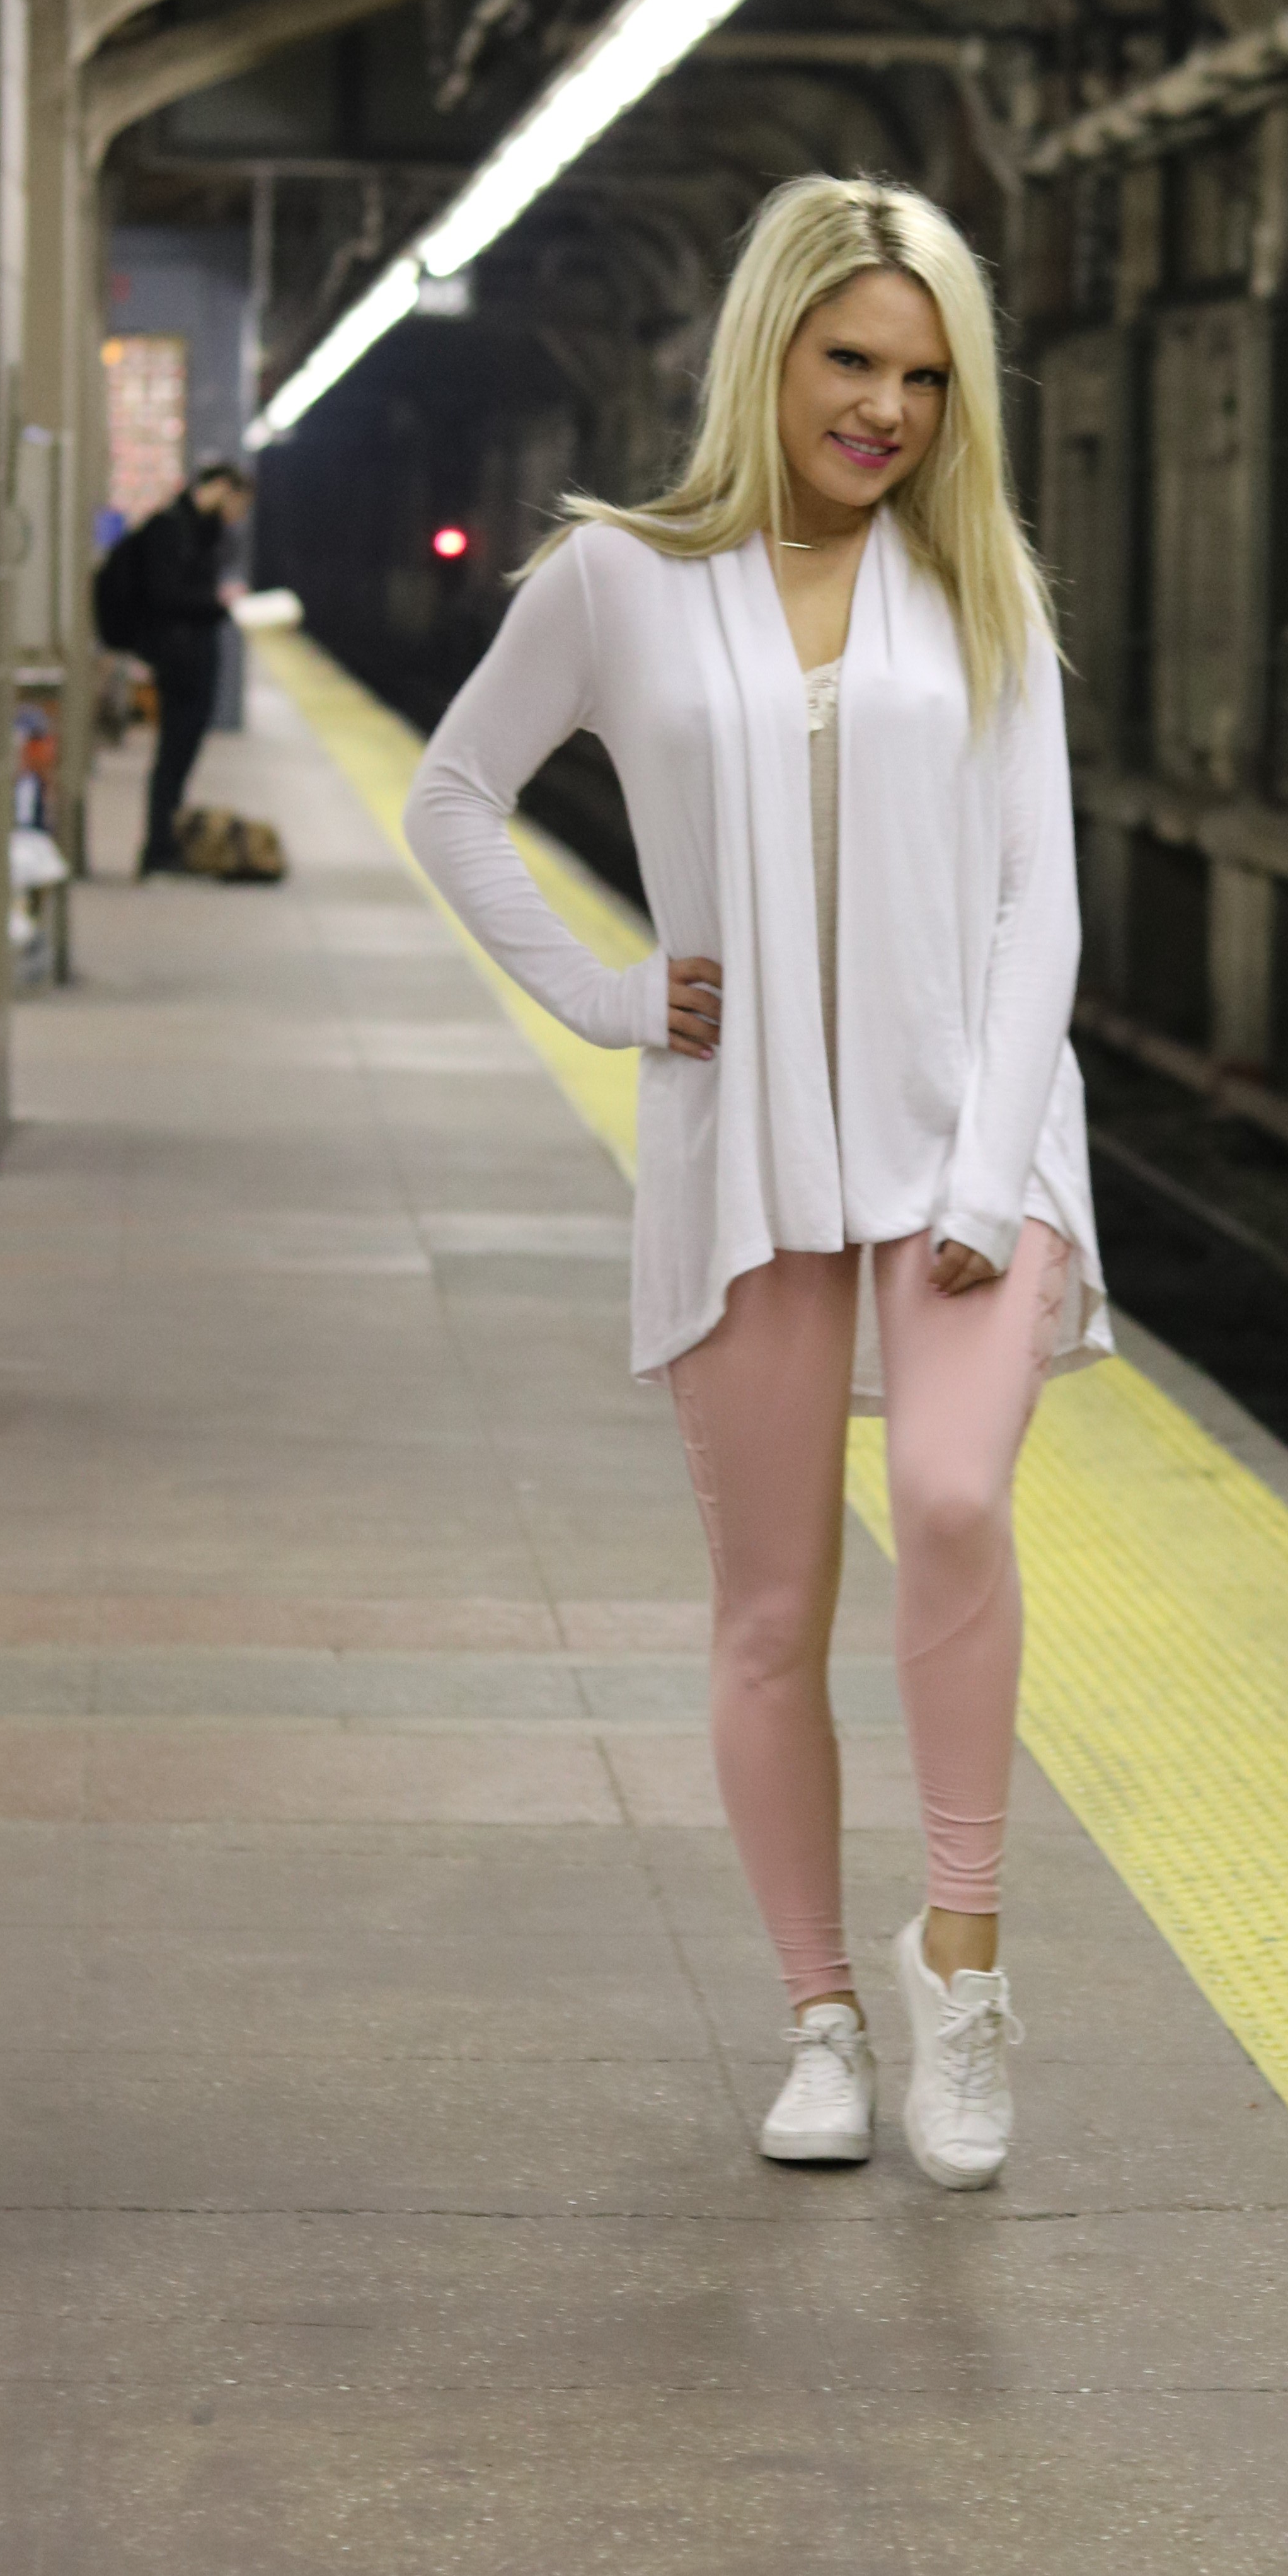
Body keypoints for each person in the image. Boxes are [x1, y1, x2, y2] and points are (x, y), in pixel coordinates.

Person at [405, 176, 1108, 2188]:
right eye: (850, 361)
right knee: (767, 1606)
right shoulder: (619, 581)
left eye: (921, 375)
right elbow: (454, 793)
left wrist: (990, 1166)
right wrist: (606, 990)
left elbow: (1034, 905)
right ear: (769, 354)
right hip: (742, 1164)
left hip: (966, 1136)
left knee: (958, 1498)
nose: (884, 407)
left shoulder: (980, 595)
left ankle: (957, 1966)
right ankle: (820, 2013)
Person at [130, 462, 253, 875]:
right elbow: (167, 594)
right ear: (220, 489)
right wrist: (219, 602)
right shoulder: (172, 528)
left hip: (193, 656)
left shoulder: (199, 529)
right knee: (173, 755)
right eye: (237, 504)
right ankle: (158, 848)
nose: (238, 516)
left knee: (181, 756)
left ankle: (167, 841)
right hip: (179, 659)